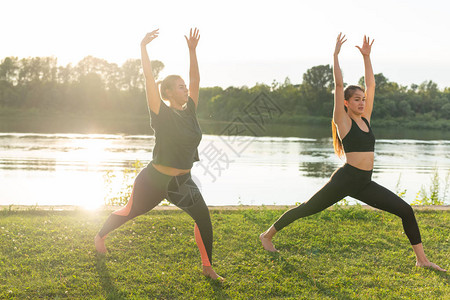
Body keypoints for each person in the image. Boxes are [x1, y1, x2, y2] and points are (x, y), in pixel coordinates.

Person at [259, 33, 446, 272]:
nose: (361, 102)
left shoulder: (365, 119)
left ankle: (421, 259)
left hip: (364, 183)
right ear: (346, 102)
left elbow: (371, 84)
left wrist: (367, 57)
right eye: (356, 99)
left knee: (405, 210)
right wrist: (335, 56)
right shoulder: (343, 122)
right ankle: (267, 235)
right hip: (345, 180)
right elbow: (338, 85)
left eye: (363, 100)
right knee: (307, 208)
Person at [95, 28, 224, 280]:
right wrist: (143, 48)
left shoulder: (190, 112)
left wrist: (192, 51)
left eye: (184, 86)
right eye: (179, 86)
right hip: (153, 180)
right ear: (167, 93)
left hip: (182, 183)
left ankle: (207, 267)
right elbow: (147, 79)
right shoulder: (160, 112)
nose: (186, 89)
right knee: (129, 212)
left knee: (203, 218)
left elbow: (196, 80)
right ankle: (100, 235)